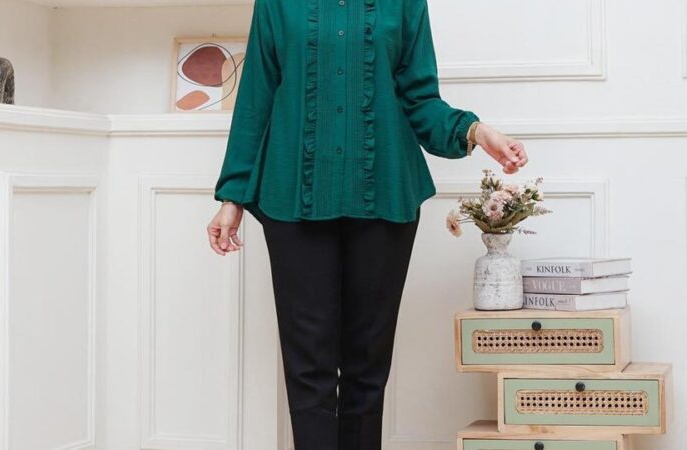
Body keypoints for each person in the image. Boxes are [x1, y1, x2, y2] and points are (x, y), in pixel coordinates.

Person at [207, 0, 528, 448]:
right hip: (295, 200)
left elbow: (420, 99)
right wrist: (232, 197)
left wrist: (476, 132)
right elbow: (256, 96)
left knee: (367, 369)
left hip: (384, 199)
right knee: (308, 370)